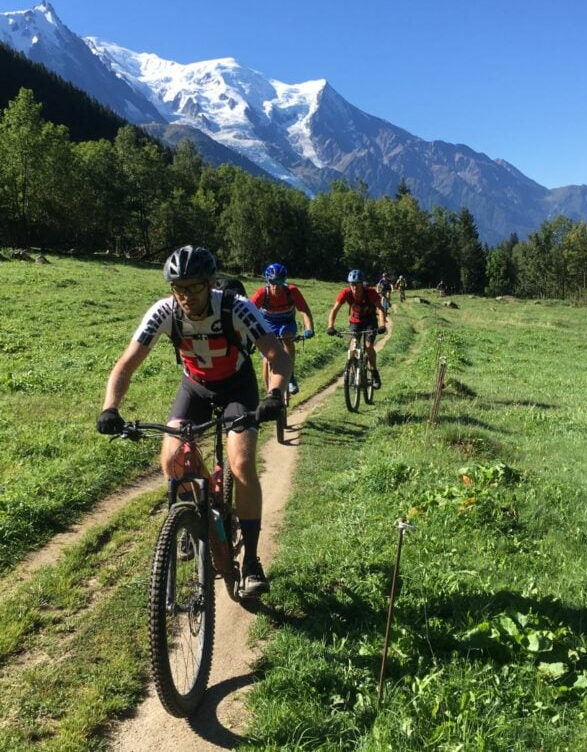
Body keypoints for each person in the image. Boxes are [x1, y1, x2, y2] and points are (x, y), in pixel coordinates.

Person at [96, 245, 292, 598]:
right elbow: (126, 364)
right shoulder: (164, 312)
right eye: (179, 287)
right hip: (196, 387)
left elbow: (276, 354)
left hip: (237, 386)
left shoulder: (235, 307)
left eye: (194, 287)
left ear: (211, 282)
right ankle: (197, 515)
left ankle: (250, 562)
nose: (186, 296)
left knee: (242, 463)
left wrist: (274, 395)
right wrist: (110, 408)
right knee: (171, 460)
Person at [250, 263, 315, 395]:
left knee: (287, 337)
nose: (275, 286)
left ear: (284, 281)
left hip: (287, 322)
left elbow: (304, 311)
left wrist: (309, 328)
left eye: (279, 282)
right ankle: (269, 393)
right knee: (266, 358)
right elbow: (248, 313)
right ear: (268, 281)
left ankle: (290, 375)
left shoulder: (292, 292)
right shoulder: (262, 294)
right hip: (267, 324)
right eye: (272, 282)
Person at [326, 269, 387, 389]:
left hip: (370, 321)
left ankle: (374, 373)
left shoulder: (370, 292)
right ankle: (353, 373)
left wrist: (382, 325)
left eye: (357, 284)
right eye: (352, 284)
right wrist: (330, 326)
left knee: (368, 345)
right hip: (355, 321)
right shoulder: (346, 293)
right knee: (353, 346)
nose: (354, 287)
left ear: (361, 284)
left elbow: (380, 309)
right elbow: (334, 309)